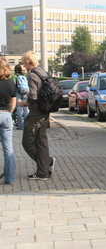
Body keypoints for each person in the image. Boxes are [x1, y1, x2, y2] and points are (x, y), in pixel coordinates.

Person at [21, 51, 56, 181]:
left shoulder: (32, 75)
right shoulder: (43, 72)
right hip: (45, 111)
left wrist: (25, 103)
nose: (23, 65)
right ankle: (43, 171)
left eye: (24, 62)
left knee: (27, 142)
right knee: (41, 141)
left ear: (28, 62)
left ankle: (45, 165)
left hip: (36, 112)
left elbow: (33, 95)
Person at [0, 58, 16, 184]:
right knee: (8, 149)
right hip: (6, 116)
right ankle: (10, 178)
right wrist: (8, 113)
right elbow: (13, 103)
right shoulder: (10, 83)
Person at [13, 64, 29, 130]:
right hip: (25, 92)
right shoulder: (24, 76)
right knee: (25, 109)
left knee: (19, 109)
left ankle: (20, 126)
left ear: (15, 69)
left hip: (18, 93)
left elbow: (13, 86)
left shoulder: (14, 76)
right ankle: (26, 125)